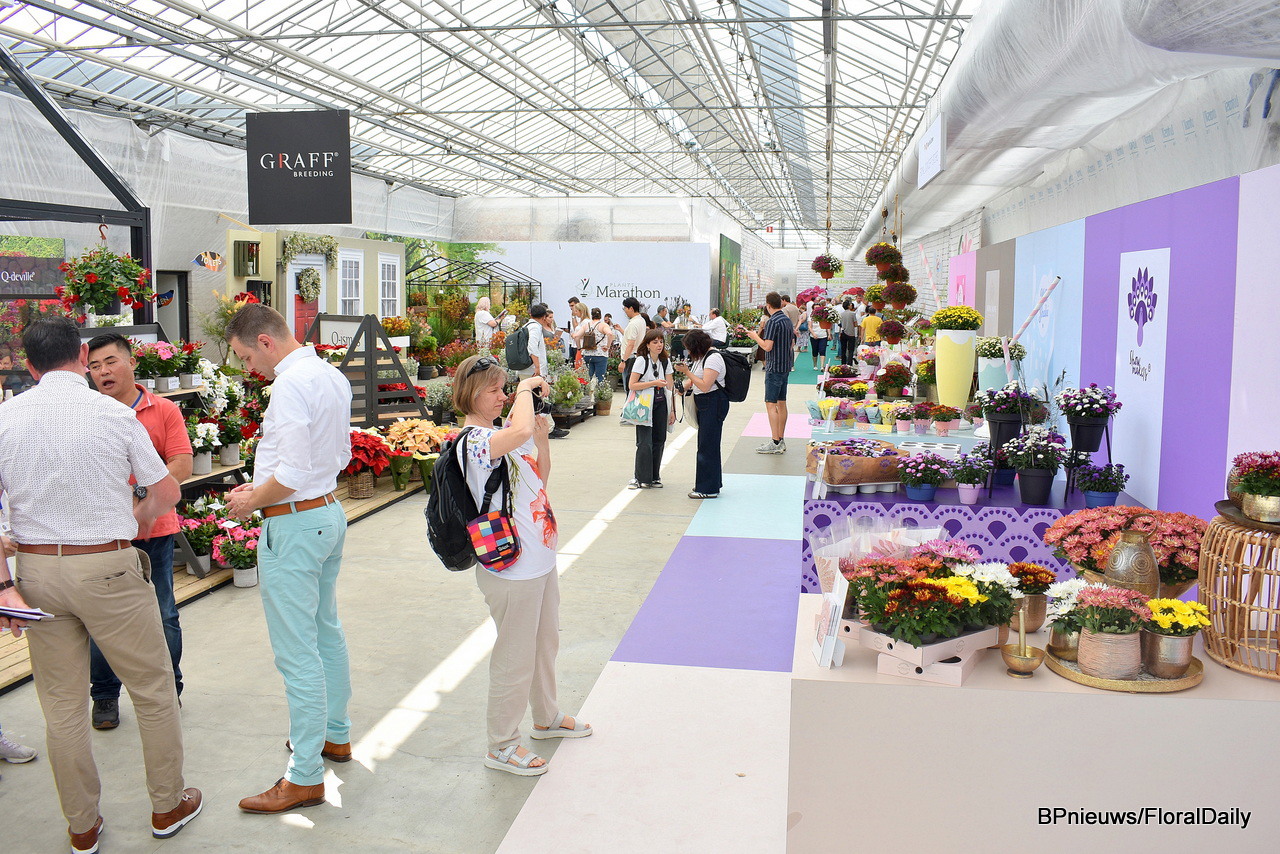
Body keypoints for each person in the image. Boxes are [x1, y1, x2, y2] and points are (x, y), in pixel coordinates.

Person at [0, 316, 201, 851]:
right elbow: (166, 490)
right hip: (107, 566)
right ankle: (167, 805)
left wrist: (2, 587)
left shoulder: (5, 418)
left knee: (62, 707)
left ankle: (82, 826)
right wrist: (135, 517)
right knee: (153, 689)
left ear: (29, 365)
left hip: (36, 573)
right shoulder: (113, 414)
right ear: (81, 356)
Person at [223, 304, 355, 815]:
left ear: (265, 341)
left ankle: (303, 777)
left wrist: (251, 501)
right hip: (326, 513)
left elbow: (293, 471)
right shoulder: (330, 375)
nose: (248, 367)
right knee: (325, 630)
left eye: (244, 357)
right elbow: (338, 456)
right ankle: (334, 734)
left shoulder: (289, 385)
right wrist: (266, 492)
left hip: (295, 524)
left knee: (296, 650)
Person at [452, 355, 592, 777]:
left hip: (539, 559)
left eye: (504, 389)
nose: (502, 397)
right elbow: (521, 430)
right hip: (510, 568)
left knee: (544, 643)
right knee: (515, 656)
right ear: (471, 394)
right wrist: (527, 387)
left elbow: (539, 479)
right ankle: (502, 744)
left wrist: (542, 440)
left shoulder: (503, 435)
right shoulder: (473, 442)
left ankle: (545, 716)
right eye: (494, 390)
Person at [85, 333, 193, 731]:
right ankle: (104, 696)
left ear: (132, 363)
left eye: (110, 361)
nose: (103, 372)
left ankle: (170, 690)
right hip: (102, 535)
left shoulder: (162, 410)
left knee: (163, 613)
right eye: (94, 366)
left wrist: (140, 494)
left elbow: (181, 463)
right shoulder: (86, 413)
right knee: (102, 619)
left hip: (155, 530)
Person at [673, 330, 728, 499]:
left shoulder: (713, 358)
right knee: (707, 444)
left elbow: (705, 385)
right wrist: (684, 386)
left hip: (713, 402)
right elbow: (696, 379)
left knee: (707, 446)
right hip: (706, 403)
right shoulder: (702, 357)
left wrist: (686, 372)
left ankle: (707, 489)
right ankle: (712, 484)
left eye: (689, 347)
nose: (688, 351)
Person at [739, 292, 794, 454]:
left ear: (768, 305)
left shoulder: (772, 321)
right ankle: (781, 439)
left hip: (774, 366)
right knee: (782, 403)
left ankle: (775, 441)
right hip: (785, 366)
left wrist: (755, 336)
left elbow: (767, 346)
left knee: (771, 404)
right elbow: (791, 343)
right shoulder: (786, 320)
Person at [627, 330, 675, 489]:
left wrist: (673, 410)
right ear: (647, 345)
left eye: (661, 341)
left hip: (661, 403)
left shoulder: (665, 361)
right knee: (644, 442)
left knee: (659, 440)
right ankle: (640, 477)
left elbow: (670, 387)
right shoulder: (641, 360)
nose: (659, 345)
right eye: (655, 342)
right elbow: (632, 385)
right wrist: (654, 383)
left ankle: (654, 476)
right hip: (644, 404)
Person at [525, 305, 570, 439]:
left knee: (533, 398)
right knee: (541, 397)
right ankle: (549, 428)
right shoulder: (535, 327)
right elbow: (532, 347)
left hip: (528, 369)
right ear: (544, 317)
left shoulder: (527, 325)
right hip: (533, 370)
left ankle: (546, 427)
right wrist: (537, 367)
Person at [575, 307, 611, 385]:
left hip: (587, 354)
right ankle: (599, 391)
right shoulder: (603, 325)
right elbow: (610, 334)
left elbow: (576, 336)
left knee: (589, 378)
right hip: (600, 354)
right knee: (600, 378)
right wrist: (608, 346)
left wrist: (579, 348)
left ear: (592, 315)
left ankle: (589, 391)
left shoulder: (586, 325)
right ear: (600, 315)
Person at [618, 297, 646, 392]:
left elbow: (630, 344)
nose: (625, 311)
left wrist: (623, 361)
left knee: (628, 387)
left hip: (630, 358)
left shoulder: (633, 324)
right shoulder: (641, 320)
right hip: (637, 356)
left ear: (631, 308)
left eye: (625, 308)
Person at [809, 302, 830, 371]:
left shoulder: (824, 316)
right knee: (815, 351)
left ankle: (822, 366)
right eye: (815, 308)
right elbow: (809, 327)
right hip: (814, 336)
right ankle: (815, 364)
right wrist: (813, 334)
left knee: (822, 350)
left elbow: (827, 326)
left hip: (823, 336)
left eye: (818, 308)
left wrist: (829, 334)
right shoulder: (811, 317)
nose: (817, 309)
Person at [839, 299, 859, 365]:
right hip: (851, 333)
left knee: (843, 349)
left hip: (843, 332)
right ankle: (849, 363)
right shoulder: (853, 314)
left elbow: (840, 324)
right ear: (848, 306)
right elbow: (855, 324)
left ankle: (843, 363)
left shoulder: (841, 314)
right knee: (850, 350)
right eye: (850, 304)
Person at [565, 298, 581, 364]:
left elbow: (577, 328)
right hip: (571, 342)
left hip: (577, 344)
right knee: (571, 362)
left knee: (577, 363)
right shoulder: (572, 315)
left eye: (572, 305)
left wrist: (574, 317)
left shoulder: (580, 316)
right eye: (570, 306)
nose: (571, 308)